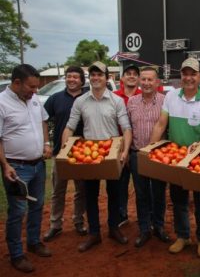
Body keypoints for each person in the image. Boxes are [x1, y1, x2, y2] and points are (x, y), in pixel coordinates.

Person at [62, 61, 132, 252]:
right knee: (90, 195)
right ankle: (94, 233)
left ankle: (113, 228)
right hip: (89, 154)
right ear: (89, 78)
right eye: (93, 74)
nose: (96, 78)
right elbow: (69, 126)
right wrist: (64, 148)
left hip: (111, 152)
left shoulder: (116, 101)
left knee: (114, 193)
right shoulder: (81, 101)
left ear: (107, 77)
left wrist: (125, 151)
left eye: (100, 74)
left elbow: (126, 128)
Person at [150, 57, 200, 258]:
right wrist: (150, 149)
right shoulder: (171, 97)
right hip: (176, 160)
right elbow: (161, 124)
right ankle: (183, 236)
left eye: (193, 74)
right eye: (185, 73)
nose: (188, 78)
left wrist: (199, 149)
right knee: (178, 200)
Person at [0, 64, 53, 273]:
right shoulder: (2, 103)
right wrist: (4, 165)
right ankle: (16, 254)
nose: (35, 91)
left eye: (37, 87)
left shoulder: (34, 101)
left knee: (38, 205)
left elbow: (43, 123)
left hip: (38, 165)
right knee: (17, 211)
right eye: (31, 87)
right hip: (16, 168)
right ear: (16, 83)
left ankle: (33, 241)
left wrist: (47, 144)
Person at [126, 65, 170, 247]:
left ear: (157, 82)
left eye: (150, 79)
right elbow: (128, 129)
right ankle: (145, 229)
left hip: (159, 155)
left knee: (159, 192)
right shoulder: (132, 102)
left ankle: (159, 226)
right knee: (141, 193)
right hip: (137, 154)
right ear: (138, 81)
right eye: (142, 79)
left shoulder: (165, 101)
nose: (146, 83)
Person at [43, 66, 88, 242]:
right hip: (59, 152)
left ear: (82, 80)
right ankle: (55, 225)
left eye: (75, 77)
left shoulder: (88, 98)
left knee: (81, 190)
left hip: (83, 153)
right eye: (69, 76)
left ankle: (78, 221)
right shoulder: (55, 98)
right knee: (57, 191)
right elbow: (43, 119)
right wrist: (47, 142)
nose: (71, 80)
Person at [113, 64, 141, 227]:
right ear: (122, 78)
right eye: (128, 73)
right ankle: (121, 215)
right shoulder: (114, 97)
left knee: (141, 187)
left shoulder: (143, 95)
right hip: (119, 149)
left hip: (137, 148)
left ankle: (144, 217)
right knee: (120, 185)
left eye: (134, 74)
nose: (131, 76)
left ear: (138, 79)